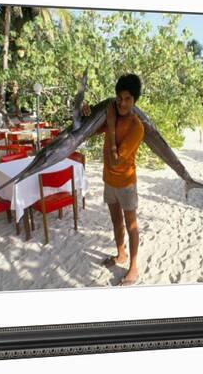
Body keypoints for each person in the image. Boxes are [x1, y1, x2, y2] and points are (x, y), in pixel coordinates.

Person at [82, 73, 144, 286]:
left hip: (126, 183)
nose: (122, 103)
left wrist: (109, 121)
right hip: (109, 181)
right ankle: (121, 255)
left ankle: (133, 268)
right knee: (116, 221)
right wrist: (87, 115)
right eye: (119, 98)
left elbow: (117, 161)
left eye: (127, 98)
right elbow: (88, 132)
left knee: (131, 225)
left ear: (135, 100)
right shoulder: (113, 116)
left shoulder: (137, 126)